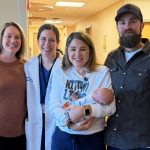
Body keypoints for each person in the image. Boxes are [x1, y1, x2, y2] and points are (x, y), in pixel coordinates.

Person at [49, 31, 116, 150]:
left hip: (92, 140)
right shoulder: (59, 73)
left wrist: (86, 110)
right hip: (63, 138)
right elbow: (54, 105)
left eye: (83, 49)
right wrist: (69, 123)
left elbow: (110, 108)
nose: (77, 54)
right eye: (73, 49)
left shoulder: (102, 72)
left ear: (90, 51)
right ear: (67, 50)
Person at [104, 3, 150, 150]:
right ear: (117, 27)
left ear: (141, 25)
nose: (127, 26)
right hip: (113, 140)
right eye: (122, 22)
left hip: (141, 142)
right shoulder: (112, 58)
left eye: (132, 21)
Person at [25, 24, 62, 150]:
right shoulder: (28, 66)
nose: (47, 44)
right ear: (38, 41)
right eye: (43, 39)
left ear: (58, 43)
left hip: (57, 120)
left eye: (52, 40)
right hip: (35, 119)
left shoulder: (66, 67)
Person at [0, 22, 26, 150]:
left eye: (17, 37)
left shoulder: (27, 67)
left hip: (22, 134)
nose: (13, 40)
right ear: (2, 39)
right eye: (8, 36)